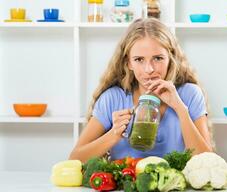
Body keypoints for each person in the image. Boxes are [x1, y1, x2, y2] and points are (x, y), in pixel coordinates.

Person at [69, 18, 213, 163]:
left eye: (158, 58)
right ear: (128, 63)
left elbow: (207, 162)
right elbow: (75, 159)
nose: (149, 69)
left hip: (176, 185)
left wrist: (181, 110)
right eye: (139, 59)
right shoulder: (112, 98)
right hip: (126, 184)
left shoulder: (190, 95)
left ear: (170, 58)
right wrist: (114, 134)